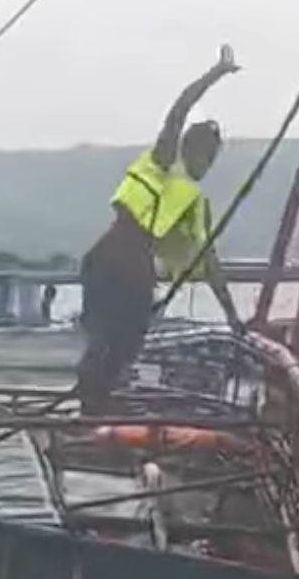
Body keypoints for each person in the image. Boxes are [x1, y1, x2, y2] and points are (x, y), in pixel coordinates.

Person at [74, 47, 244, 414]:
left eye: (214, 159)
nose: (208, 165)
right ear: (189, 149)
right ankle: (89, 411)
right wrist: (216, 73)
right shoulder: (164, 161)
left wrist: (233, 318)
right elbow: (179, 109)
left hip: (132, 274)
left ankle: (98, 409)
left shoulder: (196, 204)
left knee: (121, 350)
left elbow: (209, 261)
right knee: (104, 344)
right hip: (112, 265)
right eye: (206, 155)